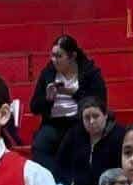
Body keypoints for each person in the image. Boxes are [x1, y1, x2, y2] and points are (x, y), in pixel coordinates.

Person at [29, 36, 107, 169]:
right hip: (54, 123)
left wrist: (72, 92)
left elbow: (100, 101)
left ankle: (69, 181)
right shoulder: (48, 73)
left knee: (73, 144)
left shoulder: (89, 73)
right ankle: (53, 180)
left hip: (80, 121)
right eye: (52, 56)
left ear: (72, 56)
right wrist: (48, 99)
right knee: (40, 145)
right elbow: (34, 107)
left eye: (59, 56)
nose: (54, 60)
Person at [54, 96, 126, 185]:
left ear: (105, 116)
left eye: (96, 116)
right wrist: (67, 182)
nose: (91, 121)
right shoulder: (75, 134)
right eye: (87, 118)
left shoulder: (119, 135)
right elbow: (60, 162)